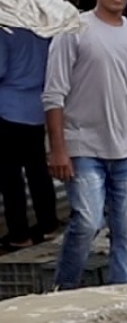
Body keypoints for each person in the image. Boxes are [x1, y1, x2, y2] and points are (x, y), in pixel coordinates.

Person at [43, 0, 127, 289]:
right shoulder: (74, 30)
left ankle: (123, 299)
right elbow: (53, 94)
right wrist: (58, 148)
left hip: (125, 147)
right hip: (82, 144)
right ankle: (64, 289)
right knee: (87, 222)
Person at [0, 27, 58, 250]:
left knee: (10, 176)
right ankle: (49, 225)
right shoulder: (43, 31)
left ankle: (19, 234)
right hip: (36, 108)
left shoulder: (5, 31)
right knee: (38, 171)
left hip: (8, 109)